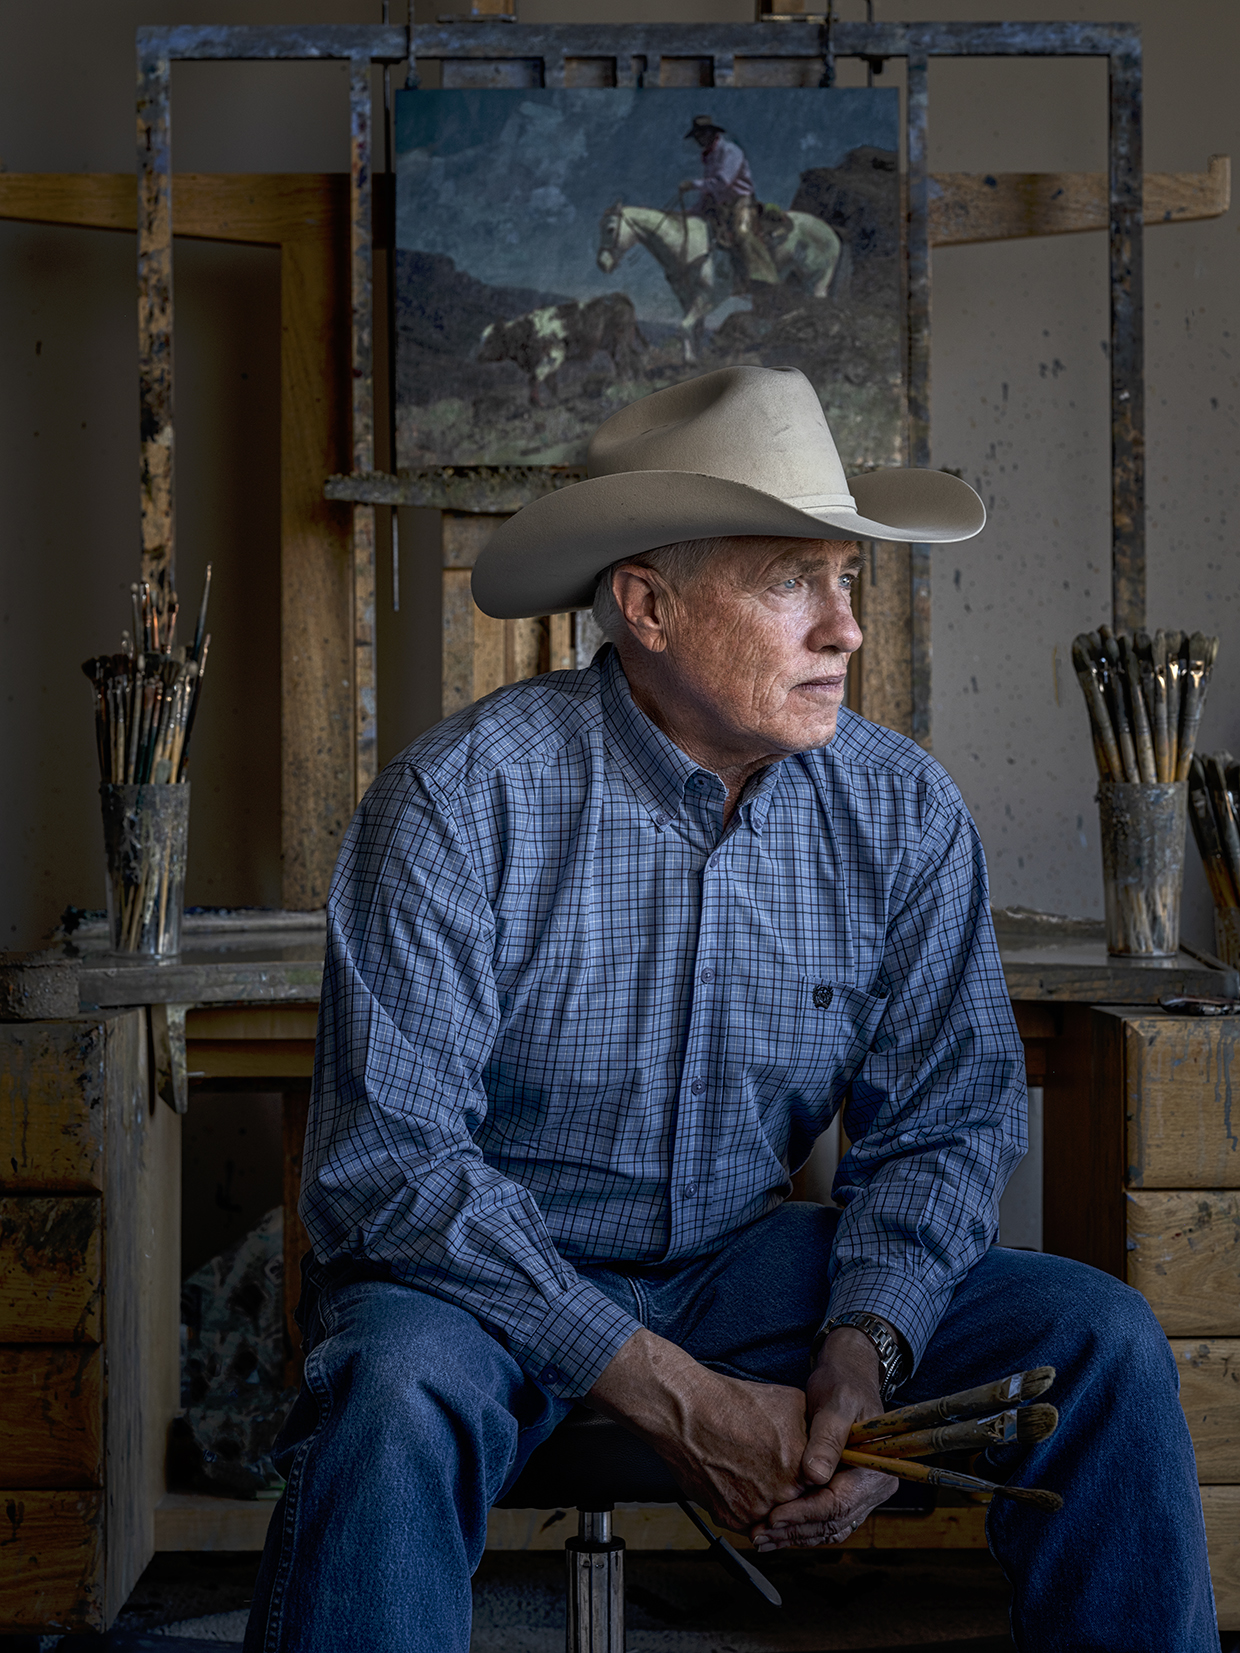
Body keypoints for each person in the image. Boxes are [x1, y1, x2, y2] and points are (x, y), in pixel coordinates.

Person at [244, 366, 1216, 1653]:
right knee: (392, 1386)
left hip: (734, 1263)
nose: (845, 630)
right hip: (476, 1282)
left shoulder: (902, 811)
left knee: (1097, 1338)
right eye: (789, 581)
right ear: (646, 605)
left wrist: (864, 1362)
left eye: (848, 580)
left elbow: (942, 1124)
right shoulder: (457, 802)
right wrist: (677, 1399)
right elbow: (392, 1166)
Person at [680, 111, 780, 286]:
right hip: (721, 204)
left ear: (712, 133)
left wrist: (693, 184)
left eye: (700, 134)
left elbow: (723, 181)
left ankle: (764, 277)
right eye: (696, 136)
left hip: (742, 200)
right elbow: (709, 192)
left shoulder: (730, 151)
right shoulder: (709, 157)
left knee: (742, 232)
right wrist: (692, 211)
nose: (698, 140)